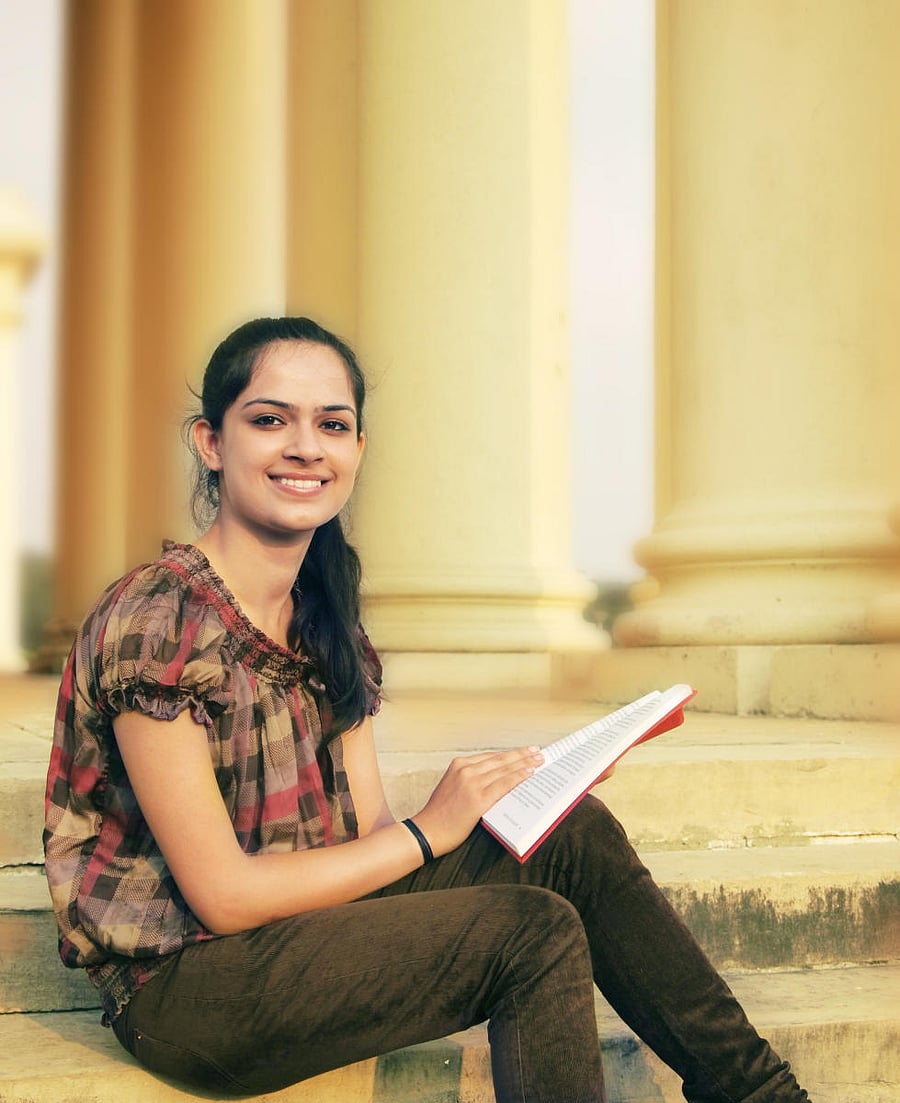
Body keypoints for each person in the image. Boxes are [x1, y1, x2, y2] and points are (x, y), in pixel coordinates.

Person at [44, 316, 810, 1102]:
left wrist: (519, 796)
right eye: (270, 420)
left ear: (357, 451)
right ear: (211, 441)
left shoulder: (323, 616)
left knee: (570, 834)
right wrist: (427, 830)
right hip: (188, 983)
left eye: (332, 425)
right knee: (531, 934)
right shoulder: (158, 617)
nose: (307, 446)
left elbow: (368, 838)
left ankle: (759, 1095)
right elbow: (225, 895)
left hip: (304, 931)